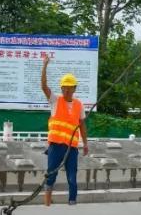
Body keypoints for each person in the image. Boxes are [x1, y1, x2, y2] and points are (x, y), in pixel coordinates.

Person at [41, 53, 89, 206]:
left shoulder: (79, 105)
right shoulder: (55, 101)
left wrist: (86, 144)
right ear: (61, 88)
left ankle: (72, 202)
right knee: (51, 174)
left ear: (74, 88)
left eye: (70, 88)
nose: (67, 91)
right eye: (64, 88)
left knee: (72, 176)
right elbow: (43, 86)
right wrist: (45, 65)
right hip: (56, 146)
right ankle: (47, 201)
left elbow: (82, 125)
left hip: (72, 148)